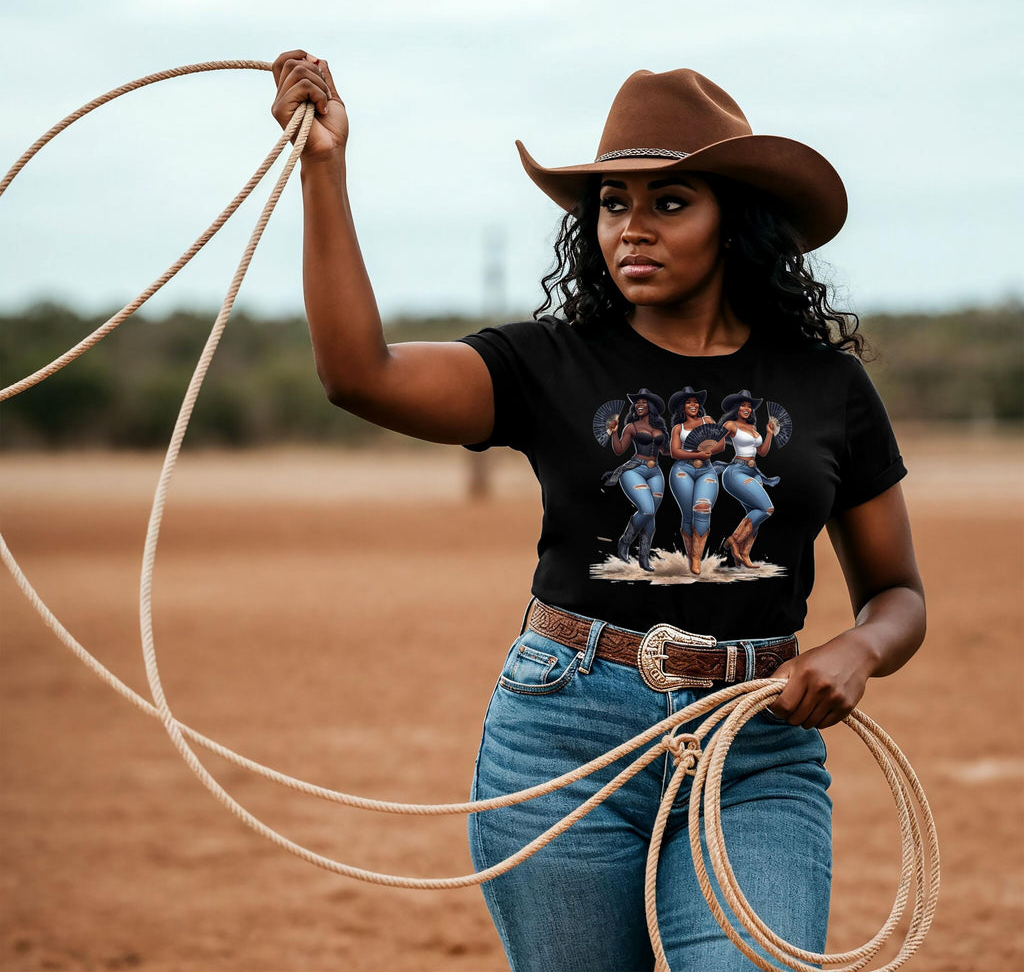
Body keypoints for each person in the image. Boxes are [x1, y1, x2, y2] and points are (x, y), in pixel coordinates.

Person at [270, 53, 926, 972]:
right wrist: (324, 170)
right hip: (562, 733)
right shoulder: (551, 363)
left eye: (669, 202)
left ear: (736, 220)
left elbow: (898, 594)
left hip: (757, 748)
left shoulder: (828, 387)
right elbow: (359, 373)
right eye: (614, 202)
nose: (632, 229)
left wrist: (858, 649)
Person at [603, 388, 670, 571]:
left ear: (652, 406)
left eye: (644, 402)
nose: (639, 404)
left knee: (651, 515)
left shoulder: (660, 429)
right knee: (647, 510)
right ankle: (625, 542)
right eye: (637, 402)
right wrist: (614, 433)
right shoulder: (631, 427)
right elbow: (619, 450)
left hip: (656, 471)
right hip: (635, 469)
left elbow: (666, 451)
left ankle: (644, 558)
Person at [717, 388, 778, 569]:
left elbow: (762, 452)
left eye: (749, 406)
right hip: (736, 472)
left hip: (753, 472)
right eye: (743, 405)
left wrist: (768, 433)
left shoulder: (752, 428)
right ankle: (734, 540)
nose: (747, 409)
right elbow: (716, 444)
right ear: (736, 408)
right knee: (767, 509)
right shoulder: (730, 425)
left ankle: (743, 555)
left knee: (755, 513)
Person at [666, 387, 724, 575]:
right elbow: (675, 452)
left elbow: (721, 444)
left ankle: (696, 558)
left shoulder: (708, 421)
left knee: (703, 508)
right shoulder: (678, 428)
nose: (693, 404)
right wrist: (697, 452)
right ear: (682, 407)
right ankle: (691, 556)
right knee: (688, 514)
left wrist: (707, 452)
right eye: (688, 402)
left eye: (695, 401)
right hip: (682, 470)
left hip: (706, 469)